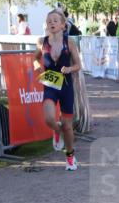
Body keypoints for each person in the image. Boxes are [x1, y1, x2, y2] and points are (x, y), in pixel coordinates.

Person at [33, 9, 83, 171]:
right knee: (48, 118)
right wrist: (37, 68)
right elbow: (35, 58)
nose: (52, 23)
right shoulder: (42, 42)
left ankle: (70, 156)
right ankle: (56, 130)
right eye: (49, 21)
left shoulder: (69, 43)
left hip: (66, 87)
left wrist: (69, 69)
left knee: (68, 126)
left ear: (63, 25)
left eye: (55, 20)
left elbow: (78, 65)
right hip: (50, 85)